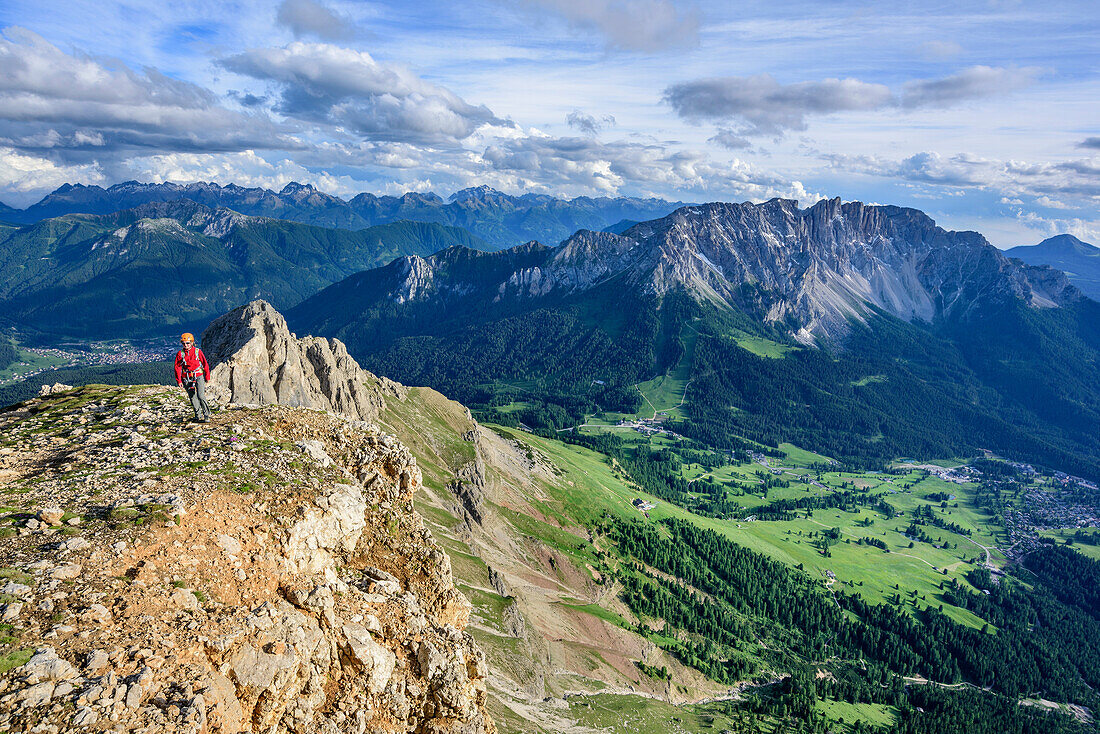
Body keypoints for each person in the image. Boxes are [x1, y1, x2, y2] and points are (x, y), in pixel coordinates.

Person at [174, 333, 211, 422]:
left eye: (188, 343)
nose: (185, 345)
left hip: (198, 375)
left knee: (201, 396)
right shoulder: (180, 354)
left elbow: (205, 364)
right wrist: (179, 381)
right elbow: (177, 367)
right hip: (187, 377)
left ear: (192, 342)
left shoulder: (198, 352)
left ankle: (206, 414)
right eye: (183, 343)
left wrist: (207, 376)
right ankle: (198, 415)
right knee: (192, 397)